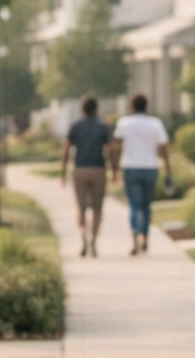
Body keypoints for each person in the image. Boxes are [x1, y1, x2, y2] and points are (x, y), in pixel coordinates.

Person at [109, 93, 170, 255]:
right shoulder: (155, 123)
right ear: (146, 105)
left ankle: (135, 233)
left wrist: (113, 168)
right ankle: (145, 236)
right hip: (150, 167)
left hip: (131, 167)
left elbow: (114, 145)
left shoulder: (124, 123)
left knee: (134, 205)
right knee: (146, 205)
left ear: (132, 106)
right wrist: (169, 170)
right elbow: (164, 148)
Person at [60, 97, 110, 256]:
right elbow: (111, 150)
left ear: (82, 109)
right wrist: (115, 170)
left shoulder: (75, 127)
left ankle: (83, 238)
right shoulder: (103, 127)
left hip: (80, 170)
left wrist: (62, 172)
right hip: (98, 170)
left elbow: (66, 150)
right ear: (96, 109)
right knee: (97, 208)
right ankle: (93, 241)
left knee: (81, 209)